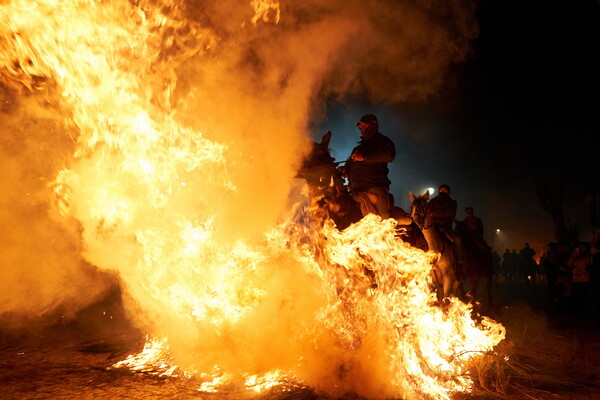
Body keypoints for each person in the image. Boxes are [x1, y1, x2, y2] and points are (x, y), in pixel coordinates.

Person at [340, 113, 396, 219]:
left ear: (374, 125)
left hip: (375, 187)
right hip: (355, 190)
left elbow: (389, 155)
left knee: (384, 218)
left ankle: (388, 232)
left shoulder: (383, 141)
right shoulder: (358, 149)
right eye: (361, 126)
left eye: (364, 125)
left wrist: (364, 157)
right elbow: (349, 170)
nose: (361, 128)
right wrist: (344, 171)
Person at [428, 184, 465, 268]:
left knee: (457, 240)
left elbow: (451, 214)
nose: (442, 192)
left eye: (445, 190)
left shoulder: (452, 203)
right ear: (438, 191)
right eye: (441, 190)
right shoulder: (432, 201)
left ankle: (460, 262)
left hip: (445, 227)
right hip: (433, 226)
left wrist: (434, 214)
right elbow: (427, 212)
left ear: (449, 192)